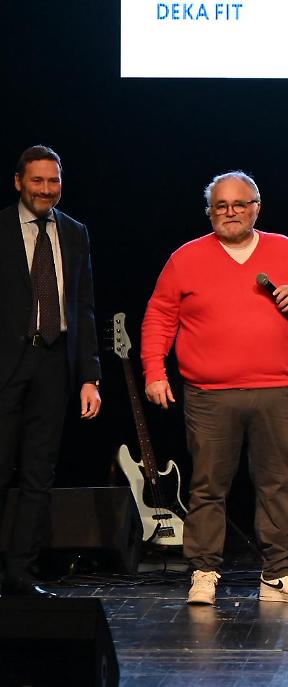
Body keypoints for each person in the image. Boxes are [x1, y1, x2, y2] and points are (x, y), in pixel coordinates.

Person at [141, 171, 288, 605]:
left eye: (239, 204)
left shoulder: (286, 250)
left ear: (256, 208)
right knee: (208, 486)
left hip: (277, 389)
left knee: (276, 484)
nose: (230, 212)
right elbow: (160, 316)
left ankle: (278, 574)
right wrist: (154, 371)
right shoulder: (186, 257)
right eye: (221, 206)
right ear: (209, 212)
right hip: (209, 393)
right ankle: (204, 572)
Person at [0, 145, 102, 598]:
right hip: (6, 362)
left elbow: (83, 307)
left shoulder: (75, 232)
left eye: (53, 180)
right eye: (37, 180)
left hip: (54, 364)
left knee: (39, 474)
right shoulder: (2, 227)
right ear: (18, 181)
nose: (46, 189)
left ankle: (21, 572)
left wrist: (89, 376)